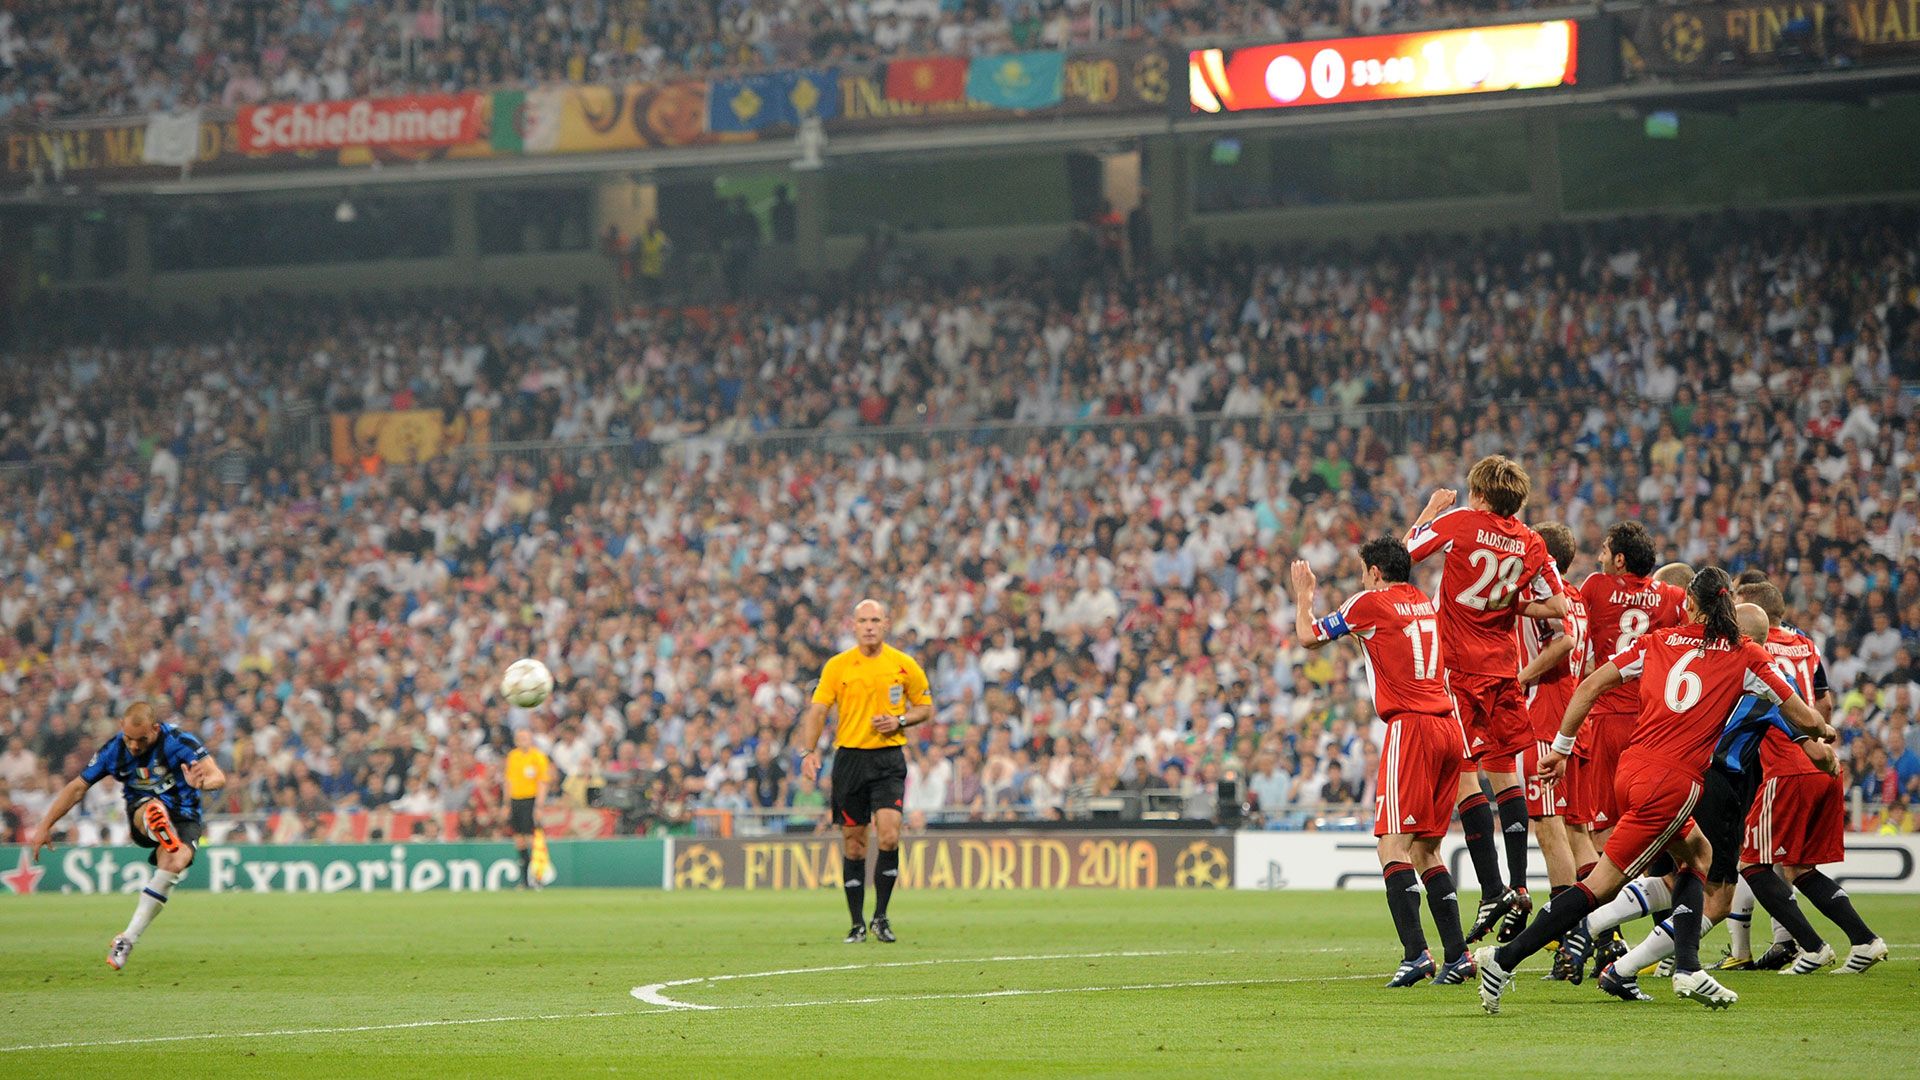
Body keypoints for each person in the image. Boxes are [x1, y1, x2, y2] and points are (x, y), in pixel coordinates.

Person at [1475, 567, 1834, 1015]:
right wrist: (1824, 727)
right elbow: (1801, 716)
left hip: (1632, 769)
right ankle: (1503, 961)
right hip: (1674, 783)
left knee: (1697, 854)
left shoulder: (1657, 642)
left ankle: (1685, 966)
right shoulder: (1746, 656)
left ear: (1690, 607)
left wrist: (1562, 749)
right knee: (1601, 886)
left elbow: (1589, 685)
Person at [1293, 540, 1473, 987]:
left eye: (1361, 570)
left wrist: (1303, 596)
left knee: (1391, 845)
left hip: (1411, 728)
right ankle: (1458, 956)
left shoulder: (1370, 602)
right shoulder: (1426, 603)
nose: (1359, 577)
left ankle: (1416, 954)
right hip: (1450, 728)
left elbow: (1308, 637)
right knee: (1426, 849)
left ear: (1374, 571)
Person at [1405, 455, 1568, 942]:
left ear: (1478, 494)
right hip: (1504, 670)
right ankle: (1518, 885)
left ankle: (1494, 887)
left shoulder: (1461, 521)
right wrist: (1511, 600)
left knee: (1461, 772)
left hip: (1456, 669)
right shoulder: (1532, 541)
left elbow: (1406, 554)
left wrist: (1429, 510)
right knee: (1505, 774)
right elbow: (1558, 606)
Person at [1732, 582, 1889, 975]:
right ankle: (1866, 941)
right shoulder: (1805, 644)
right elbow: (1825, 702)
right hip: (1824, 765)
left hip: (1789, 766)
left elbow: (1770, 701)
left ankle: (1813, 946)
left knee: (1751, 863)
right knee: (1800, 868)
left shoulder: (1751, 650)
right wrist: (1820, 737)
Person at [1567, 522, 1688, 974]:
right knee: (1658, 832)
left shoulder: (1595, 587)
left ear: (1619, 559)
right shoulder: (1672, 599)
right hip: (1655, 725)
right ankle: (1667, 940)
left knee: (1604, 836)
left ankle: (1607, 936)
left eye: (1604, 550)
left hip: (1607, 721)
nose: (1599, 556)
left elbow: (1577, 638)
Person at [27, 701, 226, 970]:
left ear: (156, 728)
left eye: (141, 739)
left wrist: (202, 782)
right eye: (128, 738)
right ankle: (157, 821)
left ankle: (127, 939)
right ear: (121, 728)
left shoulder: (179, 741)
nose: (133, 746)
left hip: (185, 817)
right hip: (141, 815)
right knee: (153, 807)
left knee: (174, 863)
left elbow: (217, 777)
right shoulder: (114, 750)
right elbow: (77, 788)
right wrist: (44, 825)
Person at [797, 599, 934, 943]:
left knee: (889, 835)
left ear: (886, 624)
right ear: (853, 625)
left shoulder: (903, 665)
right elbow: (818, 711)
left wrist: (899, 720)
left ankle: (881, 917)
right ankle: (856, 923)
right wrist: (808, 751)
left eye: (875, 620)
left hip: (888, 759)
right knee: (854, 844)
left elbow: (925, 707)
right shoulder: (838, 666)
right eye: (863, 621)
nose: (869, 626)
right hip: (850, 761)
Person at [1512, 522, 1589, 959]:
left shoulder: (1546, 603)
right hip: (1572, 720)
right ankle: (1598, 933)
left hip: (1544, 719)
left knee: (1549, 830)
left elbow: (1564, 644)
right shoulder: (1576, 600)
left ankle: (1569, 935)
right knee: (1576, 830)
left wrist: (1519, 679)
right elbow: (1588, 655)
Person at [504, 727, 552, 889]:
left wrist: (539, 805)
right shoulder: (513, 756)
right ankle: (524, 880)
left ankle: (537, 878)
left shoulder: (538, 757)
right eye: (519, 737)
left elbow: (542, 782)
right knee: (519, 840)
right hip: (515, 800)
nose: (522, 740)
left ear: (531, 739)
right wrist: (506, 804)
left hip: (530, 801)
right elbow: (508, 781)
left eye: (525, 737)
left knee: (532, 839)